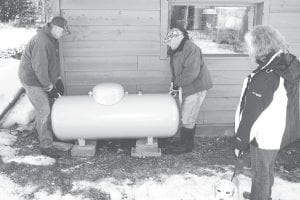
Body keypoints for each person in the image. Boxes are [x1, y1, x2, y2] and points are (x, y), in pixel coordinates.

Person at [233, 25, 300, 200]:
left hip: (265, 131)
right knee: (267, 168)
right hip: (279, 128)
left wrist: (240, 140)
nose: (248, 49)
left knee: (260, 172)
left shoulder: (267, 75)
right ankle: (261, 194)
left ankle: (260, 196)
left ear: (259, 45)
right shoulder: (284, 63)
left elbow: (252, 113)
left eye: (250, 44)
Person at [18, 16, 71, 158]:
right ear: (56, 28)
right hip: (32, 80)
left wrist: (58, 79)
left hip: (40, 78)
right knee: (44, 109)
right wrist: (49, 87)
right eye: (63, 32)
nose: (63, 35)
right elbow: (40, 68)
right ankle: (45, 146)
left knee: (48, 106)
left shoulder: (51, 39)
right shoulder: (42, 41)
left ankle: (47, 134)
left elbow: (52, 64)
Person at [163, 27, 213, 154]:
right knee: (186, 115)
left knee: (188, 117)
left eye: (170, 41)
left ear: (177, 39)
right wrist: (174, 84)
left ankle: (186, 146)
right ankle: (183, 141)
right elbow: (177, 71)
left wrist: (176, 84)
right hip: (186, 86)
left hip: (195, 87)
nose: (168, 44)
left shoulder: (191, 49)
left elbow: (191, 73)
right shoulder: (177, 49)